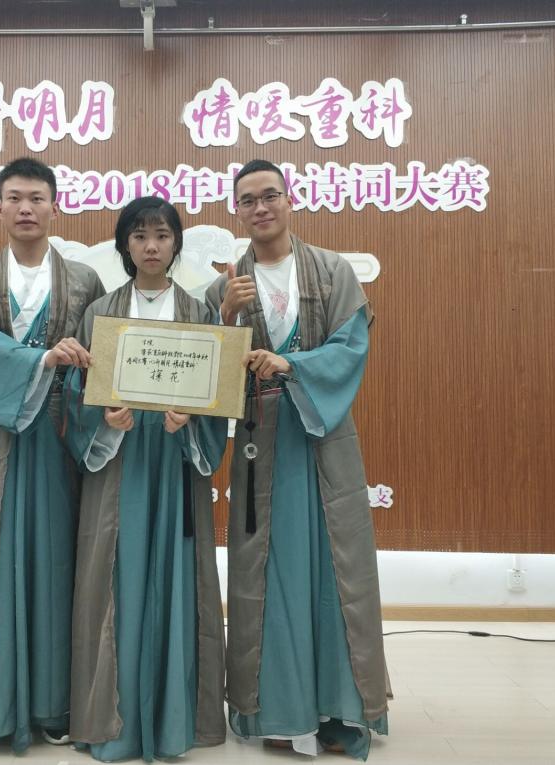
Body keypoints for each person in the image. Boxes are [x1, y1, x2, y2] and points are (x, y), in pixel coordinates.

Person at [206, 160, 390, 759]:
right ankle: (276, 710)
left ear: (290, 200)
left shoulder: (332, 271)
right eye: (248, 200)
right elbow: (207, 373)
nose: (260, 208)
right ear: (236, 210)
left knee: (335, 569)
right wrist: (225, 319)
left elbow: (350, 346)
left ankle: (340, 709)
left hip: (322, 438)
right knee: (268, 572)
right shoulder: (226, 286)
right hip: (259, 440)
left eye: (270, 196)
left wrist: (293, 364)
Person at [0, 157, 104, 752]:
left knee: (58, 560)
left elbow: (101, 354)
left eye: (36, 197)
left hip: (61, 432)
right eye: (15, 197)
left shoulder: (83, 281)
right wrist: (42, 359)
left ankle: (53, 705)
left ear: (56, 205)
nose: (26, 208)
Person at [64, 197, 227, 761]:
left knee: (175, 577)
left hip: (175, 459)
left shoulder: (200, 314)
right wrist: (103, 419)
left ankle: (172, 719)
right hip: (122, 459)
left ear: (176, 243)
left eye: (161, 235)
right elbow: (78, 391)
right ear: (125, 245)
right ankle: (115, 720)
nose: (151, 246)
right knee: (116, 576)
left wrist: (192, 420)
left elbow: (215, 390)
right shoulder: (99, 313)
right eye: (139, 236)